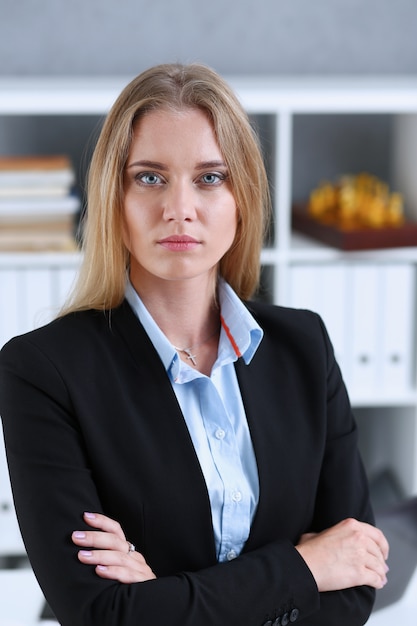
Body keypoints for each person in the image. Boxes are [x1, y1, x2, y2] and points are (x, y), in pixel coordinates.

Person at [0, 63, 389, 626]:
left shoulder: (305, 347)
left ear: (242, 197)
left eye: (210, 177)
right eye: (150, 177)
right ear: (115, 197)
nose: (179, 208)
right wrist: (307, 567)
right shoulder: (42, 371)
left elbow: (356, 579)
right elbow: (104, 614)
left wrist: (165, 594)